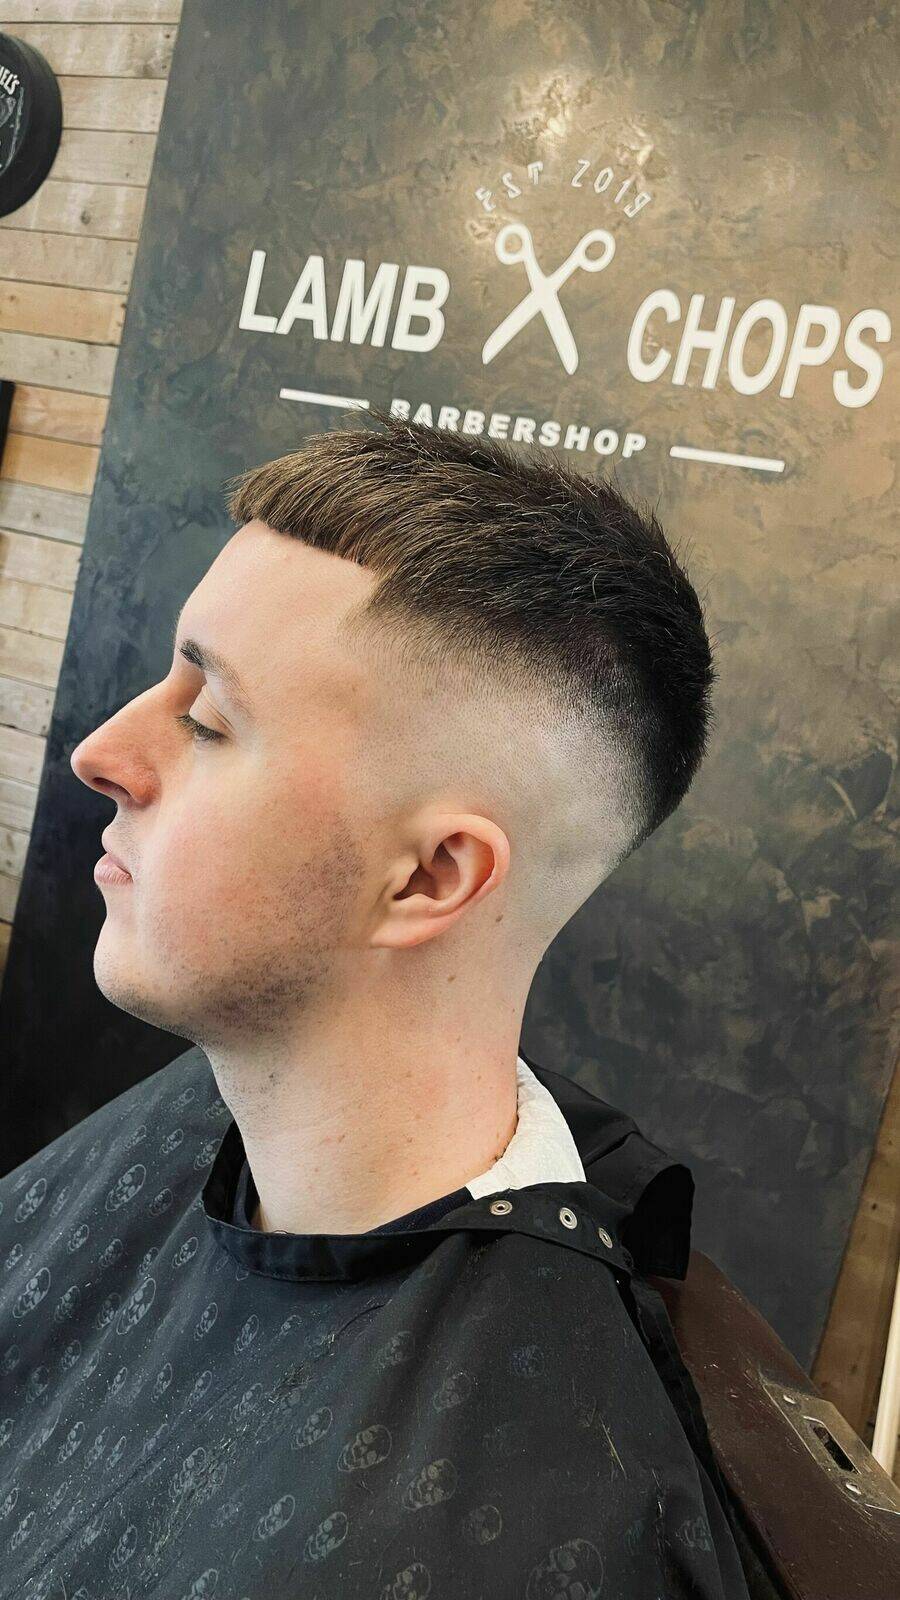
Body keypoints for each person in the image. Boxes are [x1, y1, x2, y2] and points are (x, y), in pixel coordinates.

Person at [0, 414, 750, 1597]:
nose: (101, 751)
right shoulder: (202, 1115)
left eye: (207, 720)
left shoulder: (510, 1539)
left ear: (429, 878)